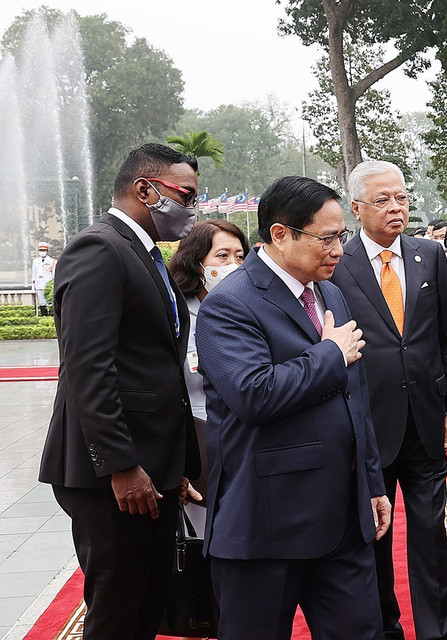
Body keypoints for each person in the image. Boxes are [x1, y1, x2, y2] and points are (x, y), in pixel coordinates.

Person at [195, 176, 388, 639]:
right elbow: (253, 395)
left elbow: (353, 398)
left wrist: (372, 481)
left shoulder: (330, 293)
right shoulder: (230, 304)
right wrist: (329, 354)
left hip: (343, 516)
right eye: (326, 238)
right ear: (280, 234)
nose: (338, 250)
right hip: (268, 522)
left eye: (340, 236)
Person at [39, 143, 202, 640]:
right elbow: (89, 369)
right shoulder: (100, 248)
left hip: (149, 464)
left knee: (147, 600)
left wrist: (172, 466)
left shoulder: (146, 254)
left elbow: (155, 368)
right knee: (117, 608)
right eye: (186, 195)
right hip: (110, 475)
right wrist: (121, 465)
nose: (192, 209)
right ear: (145, 190)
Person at [330, 160, 447, 640]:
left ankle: (438, 632)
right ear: (356, 208)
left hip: (427, 420)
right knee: (374, 536)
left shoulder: (429, 255)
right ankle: (385, 628)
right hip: (367, 427)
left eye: (402, 198)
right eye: (383, 200)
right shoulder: (338, 266)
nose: (396, 208)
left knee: (431, 537)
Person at [168, 219, 249, 535]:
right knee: (207, 538)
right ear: (197, 262)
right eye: (223, 256)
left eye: (240, 256)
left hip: (244, 440)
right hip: (198, 444)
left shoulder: (250, 308)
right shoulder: (176, 312)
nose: (233, 265)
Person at [31, 241, 57, 315]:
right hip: (39, 284)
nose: (42, 252)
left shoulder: (52, 261)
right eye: (41, 250)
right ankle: (44, 316)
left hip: (48, 285)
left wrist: (53, 285)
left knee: (50, 302)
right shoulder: (35, 261)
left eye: (44, 250)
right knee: (42, 302)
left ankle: (51, 316)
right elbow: (34, 274)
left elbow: (54, 274)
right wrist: (33, 286)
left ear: (47, 251)